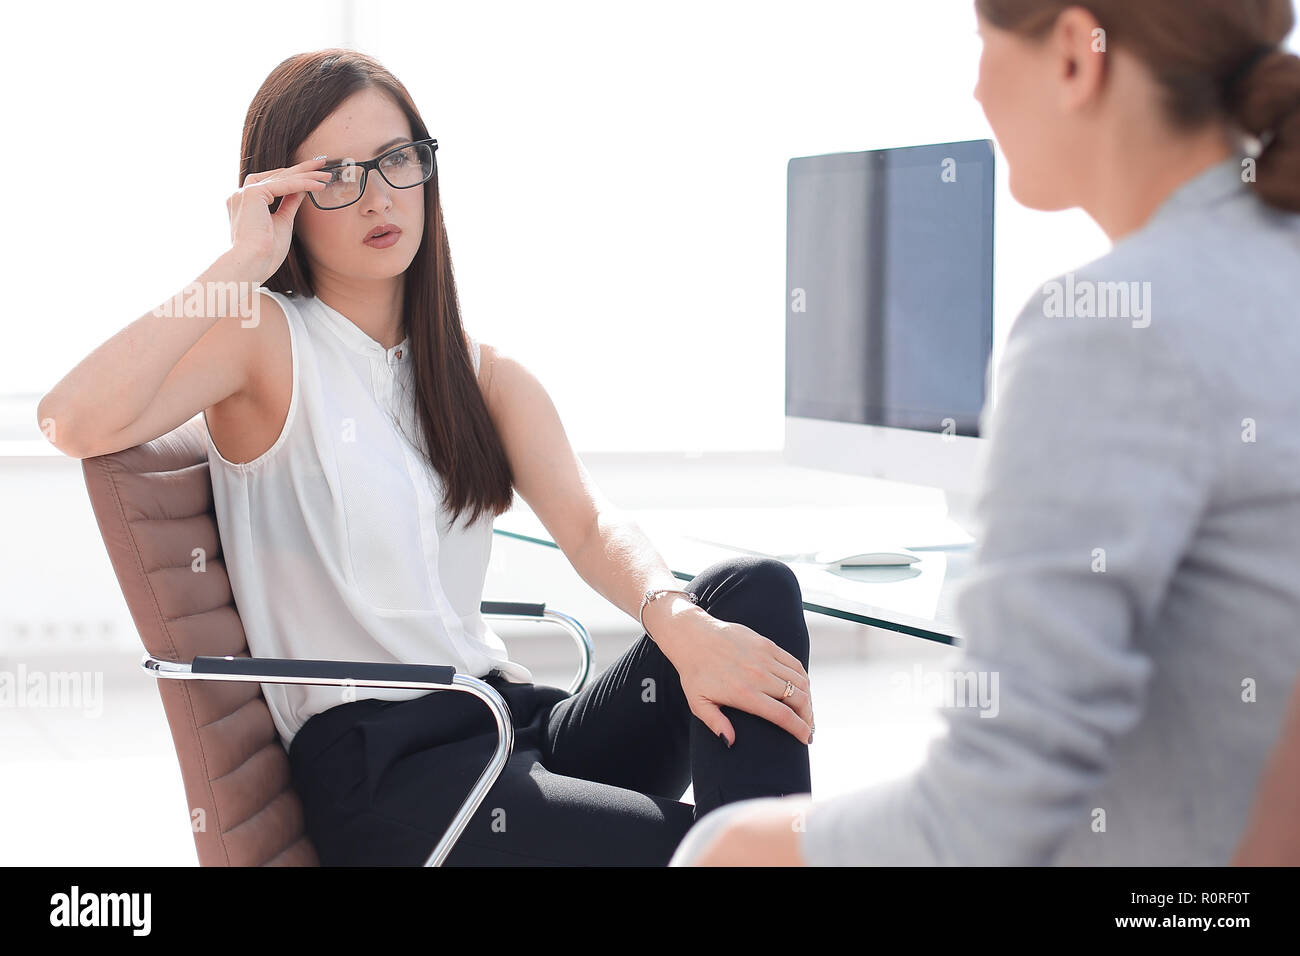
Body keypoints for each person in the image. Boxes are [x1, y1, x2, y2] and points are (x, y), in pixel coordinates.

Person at [36, 48, 814, 866]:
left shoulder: (481, 375)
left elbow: (587, 525)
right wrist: (236, 266)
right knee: (735, 851)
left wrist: (680, 622)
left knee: (752, 593)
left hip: (512, 728)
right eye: (334, 174)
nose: (378, 196)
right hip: (392, 777)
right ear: (282, 195)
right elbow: (70, 420)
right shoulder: (263, 339)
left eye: (396, 160)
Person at [672, 0, 1300, 865]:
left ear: (1079, 55)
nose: (973, 88)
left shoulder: (1108, 330)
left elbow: (985, 825)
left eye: (982, 45)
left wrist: (728, 846)